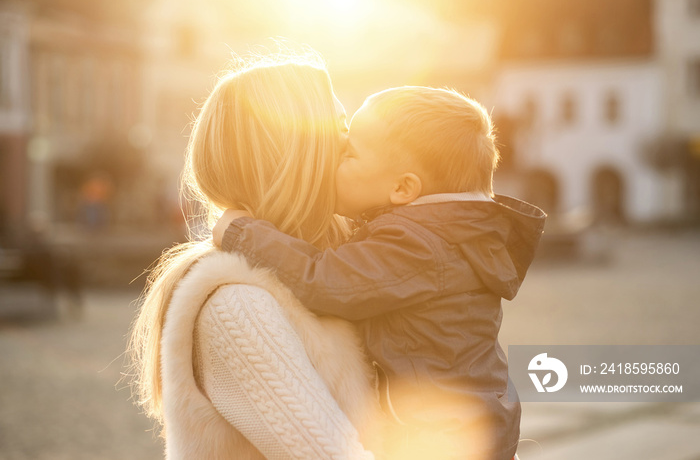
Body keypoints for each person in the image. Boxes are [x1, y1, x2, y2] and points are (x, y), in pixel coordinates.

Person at [213, 86, 547, 459]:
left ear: (403, 188)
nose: (335, 156)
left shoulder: (417, 244)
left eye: (349, 153)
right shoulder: (451, 235)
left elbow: (325, 281)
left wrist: (241, 232)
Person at [128, 53, 379, 460]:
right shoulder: (236, 307)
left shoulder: (332, 276)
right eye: (341, 129)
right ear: (297, 154)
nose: (355, 145)